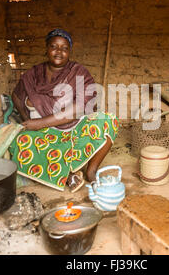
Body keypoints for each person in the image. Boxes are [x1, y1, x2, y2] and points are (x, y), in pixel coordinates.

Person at [8, 29, 118, 192]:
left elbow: (80, 108)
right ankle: (67, 175)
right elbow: (16, 96)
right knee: (18, 141)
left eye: (64, 48)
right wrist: (27, 120)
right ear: (46, 48)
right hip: (45, 134)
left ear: (69, 51)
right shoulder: (34, 74)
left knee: (108, 120)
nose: (59, 52)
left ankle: (91, 171)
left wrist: (39, 122)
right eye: (54, 46)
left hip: (74, 128)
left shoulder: (78, 72)